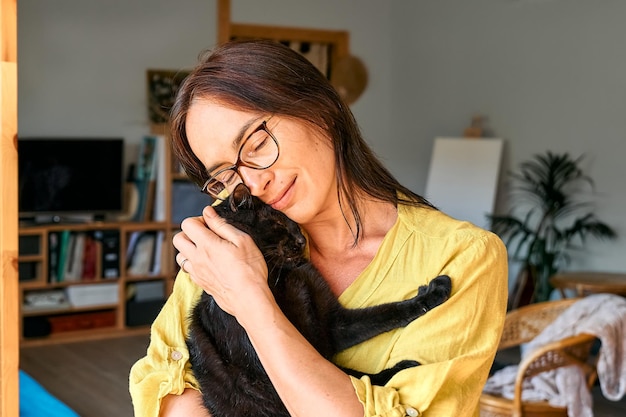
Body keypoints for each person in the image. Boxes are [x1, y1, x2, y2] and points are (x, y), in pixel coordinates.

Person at [129, 39, 508, 417]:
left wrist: (251, 300)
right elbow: (163, 377)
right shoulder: (229, 230)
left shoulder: (463, 257)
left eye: (257, 144)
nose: (253, 184)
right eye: (226, 174)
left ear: (319, 109)